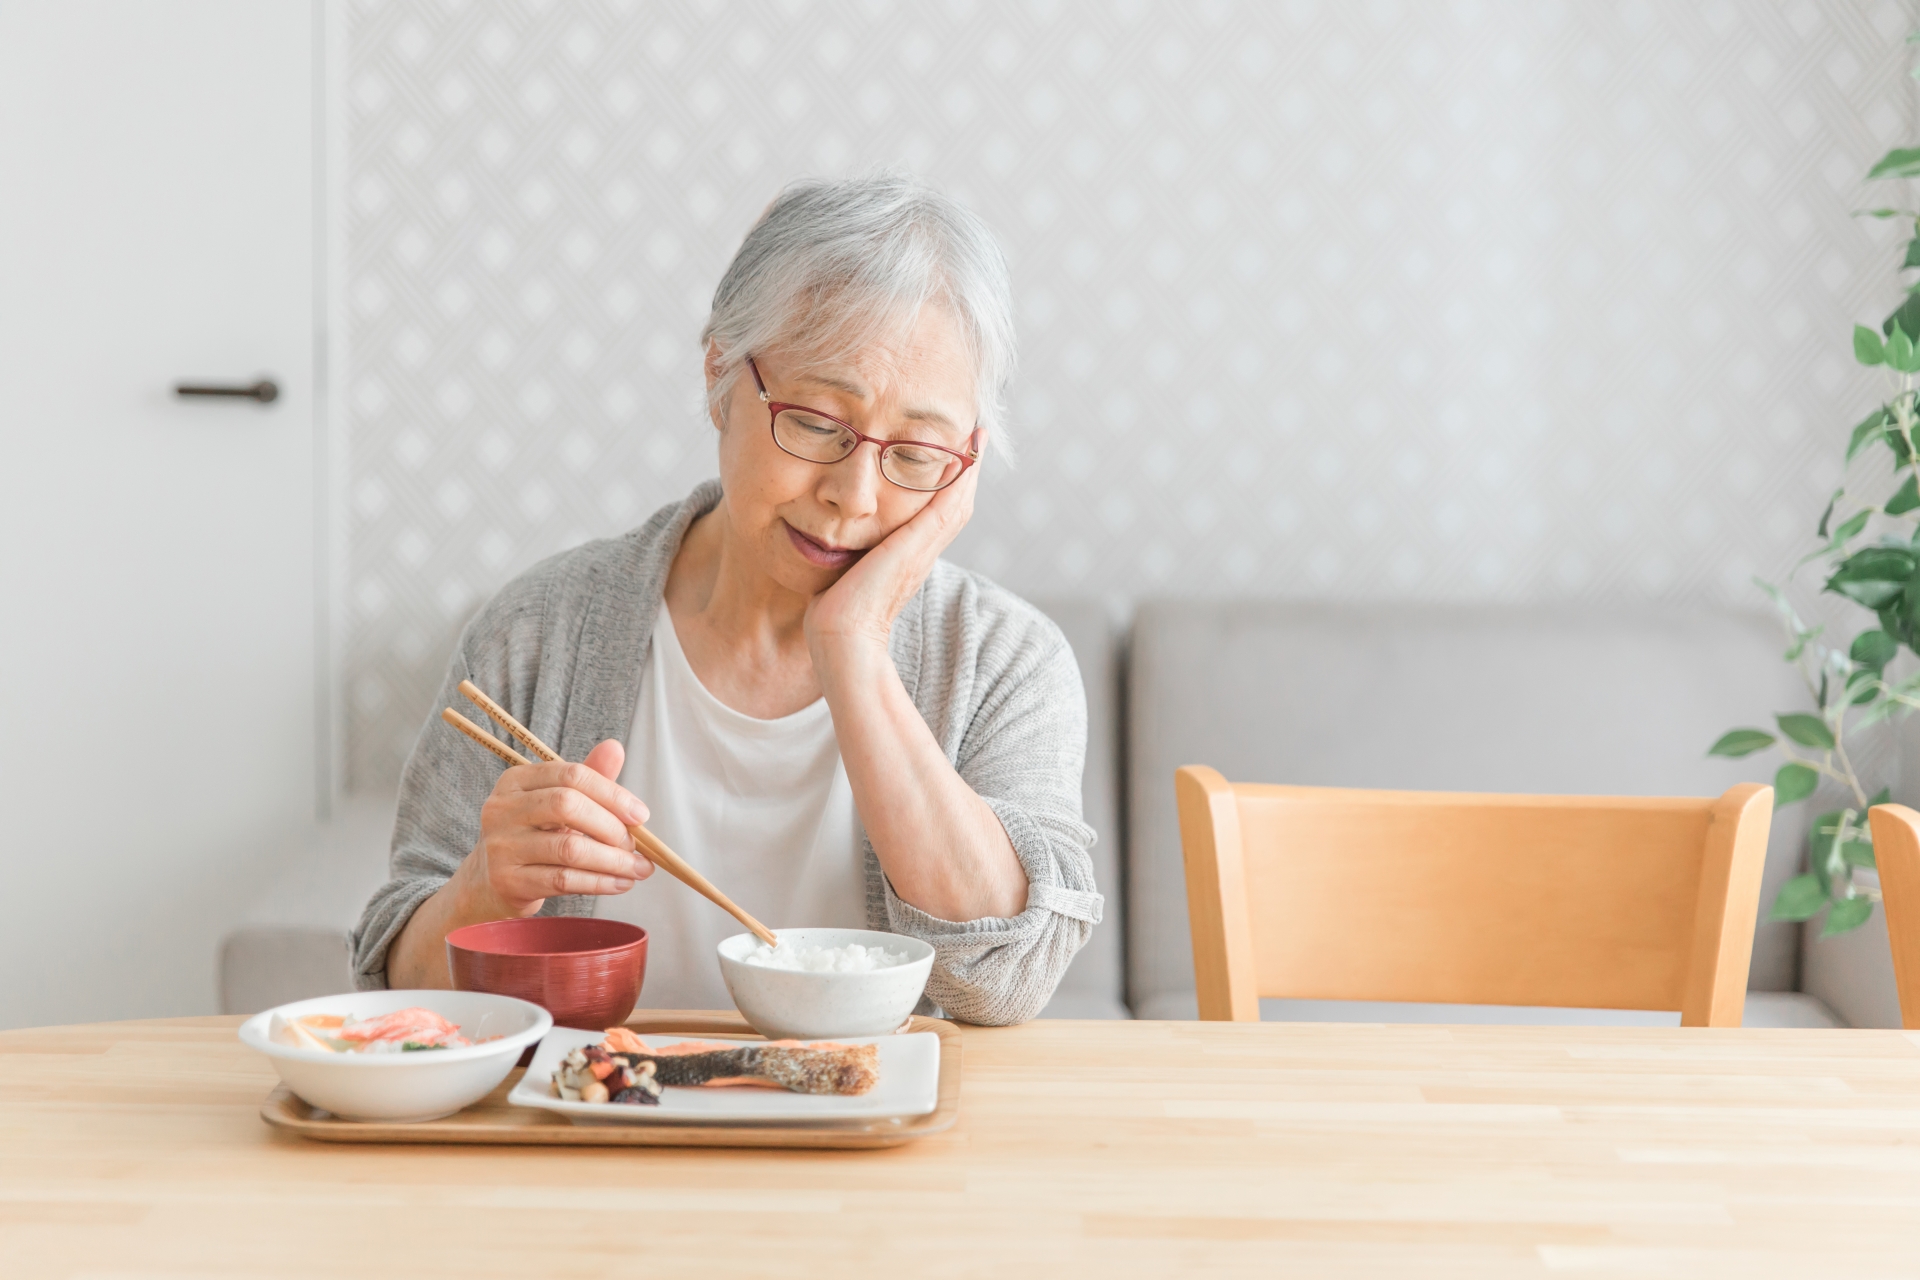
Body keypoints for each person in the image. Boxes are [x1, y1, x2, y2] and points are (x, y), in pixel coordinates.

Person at [350, 174, 1102, 1025]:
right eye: (818, 422)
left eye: (917, 454)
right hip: (596, 1137)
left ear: (966, 460)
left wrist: (852, 643)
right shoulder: (538, 633)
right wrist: (484, 889)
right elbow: (392, 990)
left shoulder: (1007, 661)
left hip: (879, 1147)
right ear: (719, 372)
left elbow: (1002, 984)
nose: (853, 497)